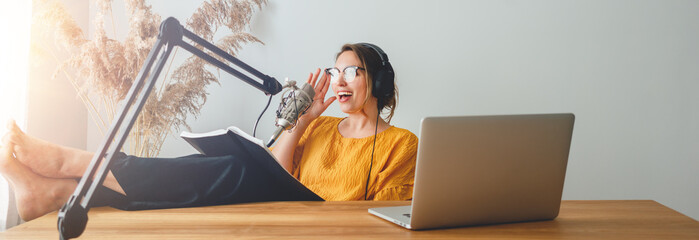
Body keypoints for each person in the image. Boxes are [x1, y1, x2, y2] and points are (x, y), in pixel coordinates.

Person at [0, 43, 418, 222]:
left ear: (377, 83)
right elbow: (278, 168)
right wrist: (302, 121)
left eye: (351, 71)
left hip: (320, 222)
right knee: (209, 175)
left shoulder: (401, 144)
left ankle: (72, 162)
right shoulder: (320, 126)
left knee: (234, 167)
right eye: (334, 70)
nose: (338, 79)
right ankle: (54, 195)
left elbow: (384, 217)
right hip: (278, 207)